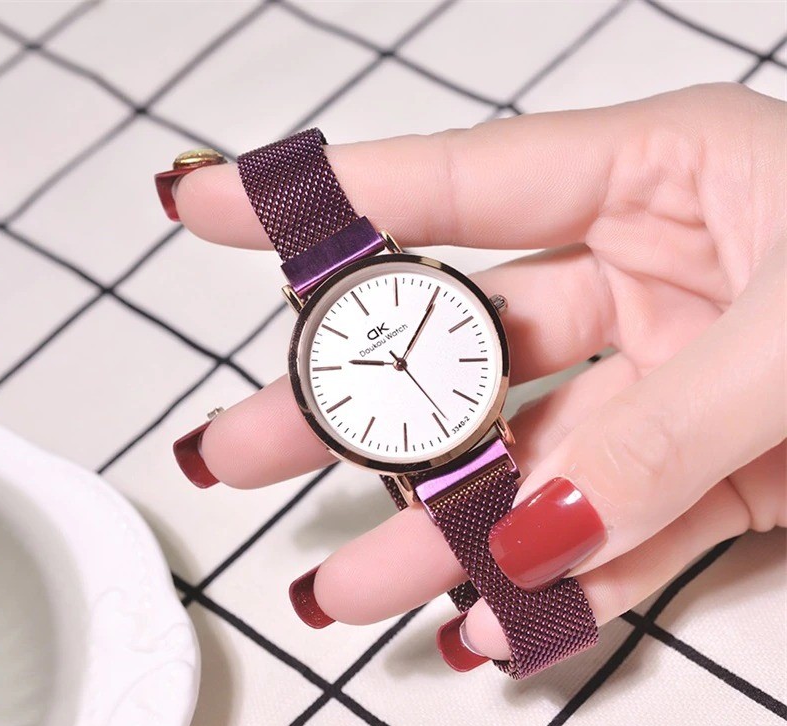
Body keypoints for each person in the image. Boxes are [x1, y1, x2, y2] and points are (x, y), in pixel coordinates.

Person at [162, 83, 785, 672]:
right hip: (433, 447)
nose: (399, 361)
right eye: (383, 362)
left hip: (472, 427)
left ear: (488, 312)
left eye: (404, 350)